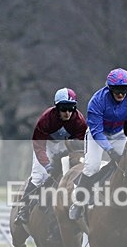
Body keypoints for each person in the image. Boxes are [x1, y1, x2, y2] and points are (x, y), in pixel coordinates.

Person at [69, 68, 127, 221]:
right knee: (92, 166)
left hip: (120, 133)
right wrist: (109, 150)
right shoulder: (97, 101)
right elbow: (97, 132)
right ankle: (79, 203)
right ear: (109, 88)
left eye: (124, 90)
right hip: (98, 134)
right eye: (117, 90)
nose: (120, 94)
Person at [15, 88, 87, 224]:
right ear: (57, 107)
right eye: (63, 108)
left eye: (71, 108)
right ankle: (24, 210)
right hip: (45, 145)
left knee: (69, 177)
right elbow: (38, 145)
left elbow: (81, 145)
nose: (67, 112)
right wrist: (47, 164)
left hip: (66, 146)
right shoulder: (46, 118)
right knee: (38, 176)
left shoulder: (79, 121)